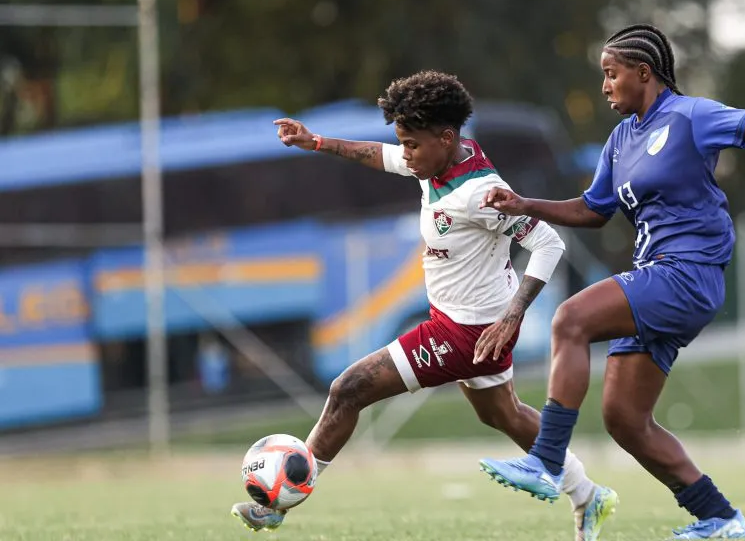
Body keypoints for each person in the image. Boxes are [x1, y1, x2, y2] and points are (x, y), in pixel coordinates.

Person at [477, 23, 745, 540]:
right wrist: (524, 204)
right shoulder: (621, 139)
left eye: (610, 73)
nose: (604, 86)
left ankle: (547, 460)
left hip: (687, 273)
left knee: (570, 318)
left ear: (644, 73)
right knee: (624, 418)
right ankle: (721, 518)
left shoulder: (689, 116)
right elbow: (593, 210)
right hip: (655, 278)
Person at [230, 70, 619, 540]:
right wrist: (316, 142)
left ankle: (280, 501)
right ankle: (589, 496)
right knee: (501, 413)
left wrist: (515, 313)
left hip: (467, 333)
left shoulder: (479, 193)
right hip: (464, 320)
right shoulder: (440, 161)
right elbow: (382, 154)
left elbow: (550, 244)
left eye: (412, 144)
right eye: (404, 142)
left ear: (446, 137)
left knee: (347, 388)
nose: (406, 154)